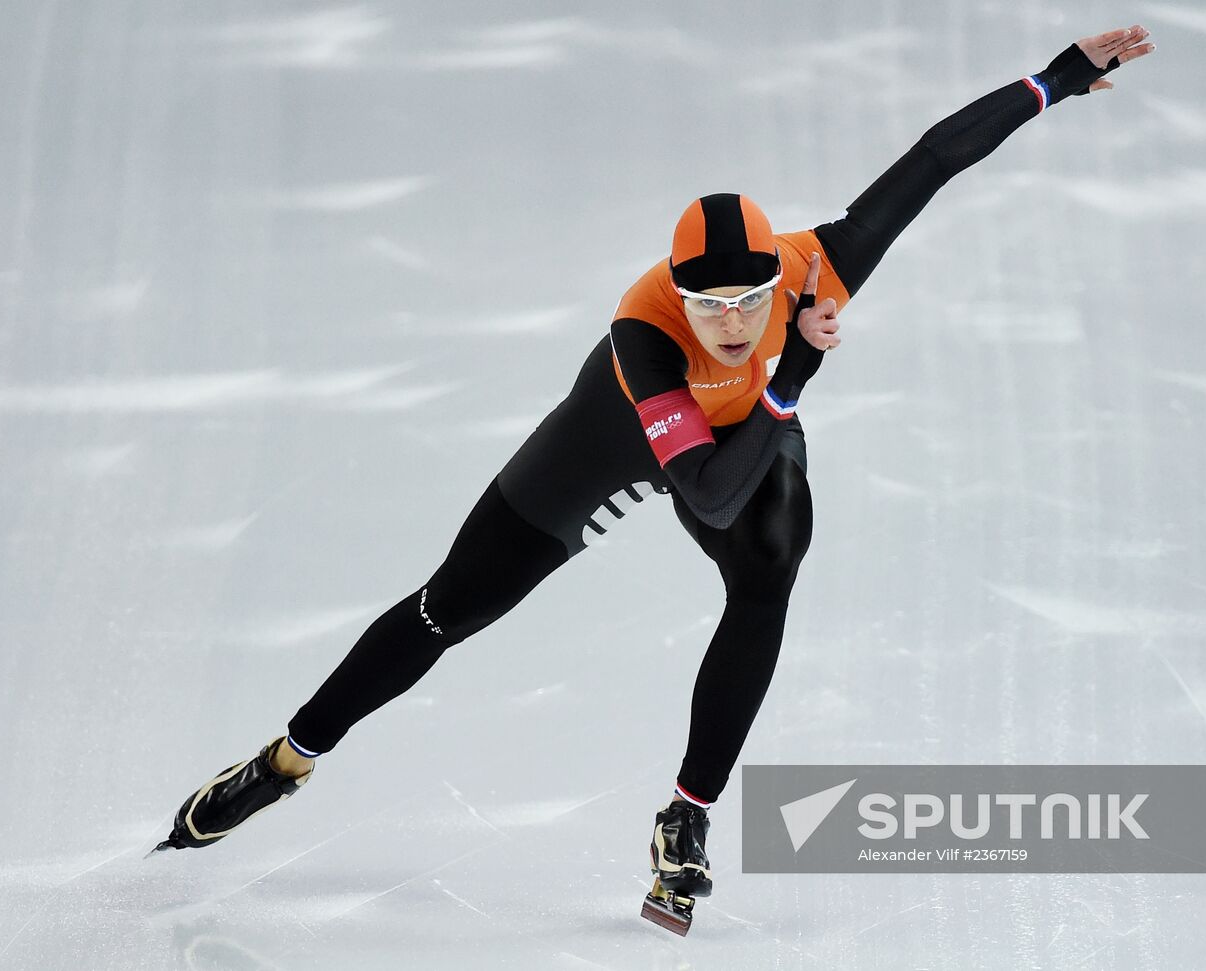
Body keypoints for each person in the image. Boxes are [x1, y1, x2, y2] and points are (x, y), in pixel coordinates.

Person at [155, 23, 1155, 918]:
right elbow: (705, 489)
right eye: (706, 302)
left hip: (745, 436)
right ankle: (284, 760)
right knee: (444, 611)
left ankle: (685, 817)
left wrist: (1058, 77)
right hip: (612, 443)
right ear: (677, 290)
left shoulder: (819, 261)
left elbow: (932, 161)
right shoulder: (645, 333)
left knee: (767, 571)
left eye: (749, 299)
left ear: (780, 274)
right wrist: (794, 364)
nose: (728, 321)